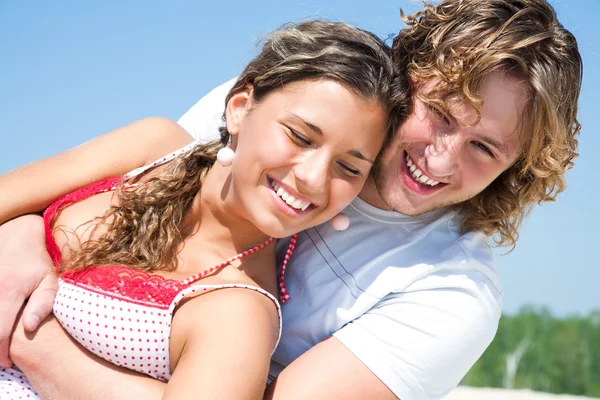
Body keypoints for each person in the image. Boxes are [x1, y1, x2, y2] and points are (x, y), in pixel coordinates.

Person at [1, 0, 582, 399]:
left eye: (485, 147)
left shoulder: (453, 294)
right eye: (439, 113)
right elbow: (142, 196)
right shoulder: (290, 105)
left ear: (514, 170)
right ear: (404, 82)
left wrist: (29, 344)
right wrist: (24, 234)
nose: (442, 159)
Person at [0, 20, 400, 400]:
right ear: (240, 107)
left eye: (348, 167)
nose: (314, 178)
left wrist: (28, 340)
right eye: (299, 136)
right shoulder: (153, 151)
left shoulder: (238, 311)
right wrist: (23, 232)